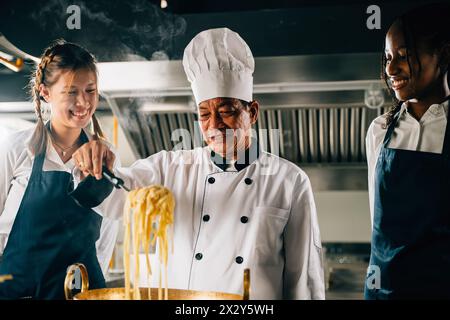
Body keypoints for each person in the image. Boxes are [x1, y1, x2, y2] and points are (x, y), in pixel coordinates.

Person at [72, 28, 325, 299]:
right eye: (204, 114)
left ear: (251, 113)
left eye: (226, 112)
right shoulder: (170, 168)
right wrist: (95, 167)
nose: (214, 125)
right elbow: (116, 198)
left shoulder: (289, 181)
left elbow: (303, 279)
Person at [0, 40, 119, 299]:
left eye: (90, 90)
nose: (84, 102)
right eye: (71, 92)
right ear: (45, 92)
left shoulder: (106, 157)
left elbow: (107, 236)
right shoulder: (16, 149)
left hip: (83, 294)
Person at [365, 3, 450, 299]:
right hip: (383, 292)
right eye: (388, 57)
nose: (391, 69)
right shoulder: (379, 130)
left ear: (443, 55)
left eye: (404, 56)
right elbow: (377, 226)